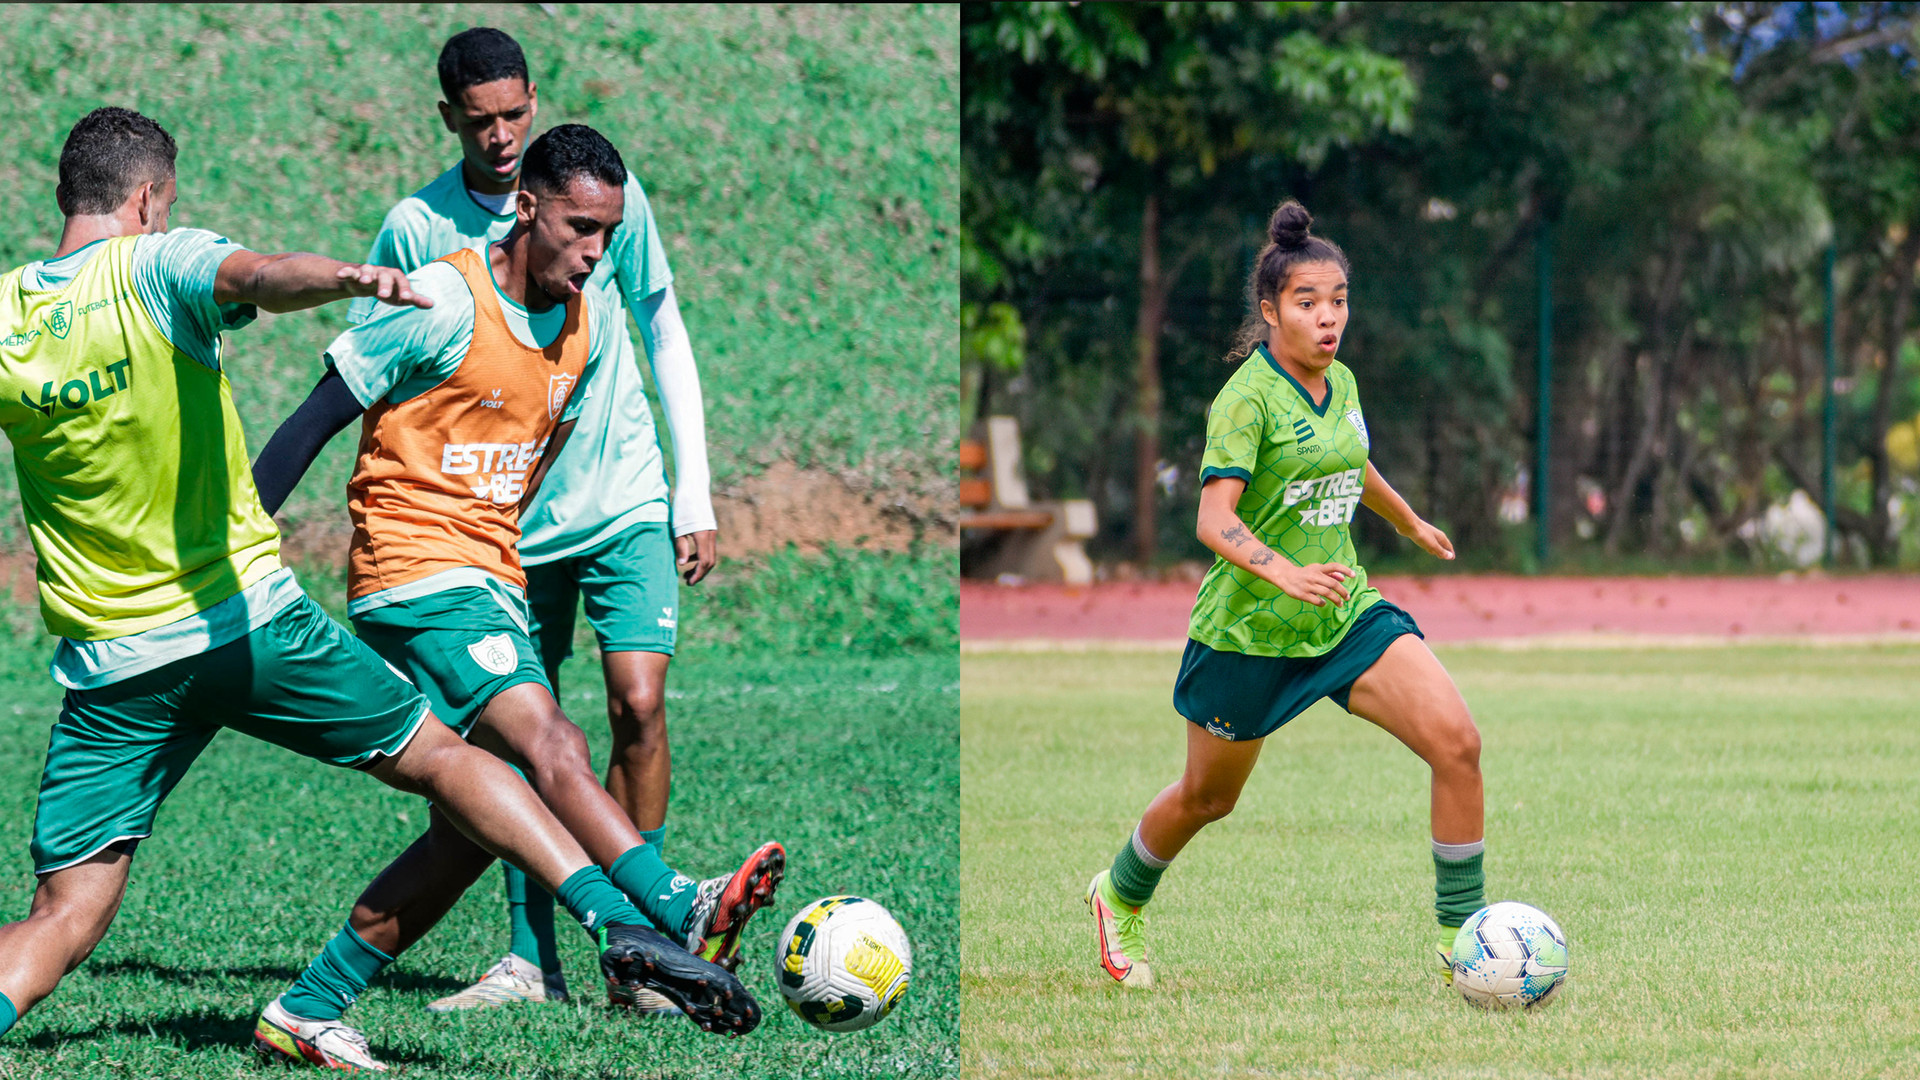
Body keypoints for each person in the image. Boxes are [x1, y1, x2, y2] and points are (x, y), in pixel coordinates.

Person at [0, 106, 729, 1068]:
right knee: (457, 765)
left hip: (112, 668)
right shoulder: (152, 262)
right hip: (244, 627)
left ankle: (345, 996)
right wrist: (345, 278)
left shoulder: (9, 312)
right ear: (147, 198)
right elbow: (254, 276)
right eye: (166, 204)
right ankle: (619, 917)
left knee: (63, 916)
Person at [248, 123, 779, 1066]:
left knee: (478, 829)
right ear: (526, 207)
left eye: (610, 233)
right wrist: (237, 544)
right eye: (580, 227)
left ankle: (309, 1004)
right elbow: (318, 415)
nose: (595, 251)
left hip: (487, 574)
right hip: (414, 575)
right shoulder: (443, 297)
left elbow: (526, 463)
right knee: (554, 743)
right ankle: (662, 912)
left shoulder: (587, 320)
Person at [341, 26, 721, 1013]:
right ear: (449, 120)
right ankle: (531, 958)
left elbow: (662, 321)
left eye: (517, 112)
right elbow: (365, 371)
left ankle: (650, 937)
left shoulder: (596, 192)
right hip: (494, 528)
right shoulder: (419, 227)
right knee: (529, 741)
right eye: (482, 122)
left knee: (635, 702)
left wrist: (694, 489)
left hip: (621, 491)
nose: (505, 134)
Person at [1084, 201, 1486, 990]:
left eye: (1338, 300)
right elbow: (1212, 518)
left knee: (1458, 745)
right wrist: (1281, 572)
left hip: (1342, 616)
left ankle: (1460, 943)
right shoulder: (1245, 399)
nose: (1328, 318)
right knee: (1207, 799)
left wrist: (1407, 521)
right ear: (1270, 311)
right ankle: (1117, 895)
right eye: (1308, 303)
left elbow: (1351, 464)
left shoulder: (1342, 382)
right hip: (1249, 633)